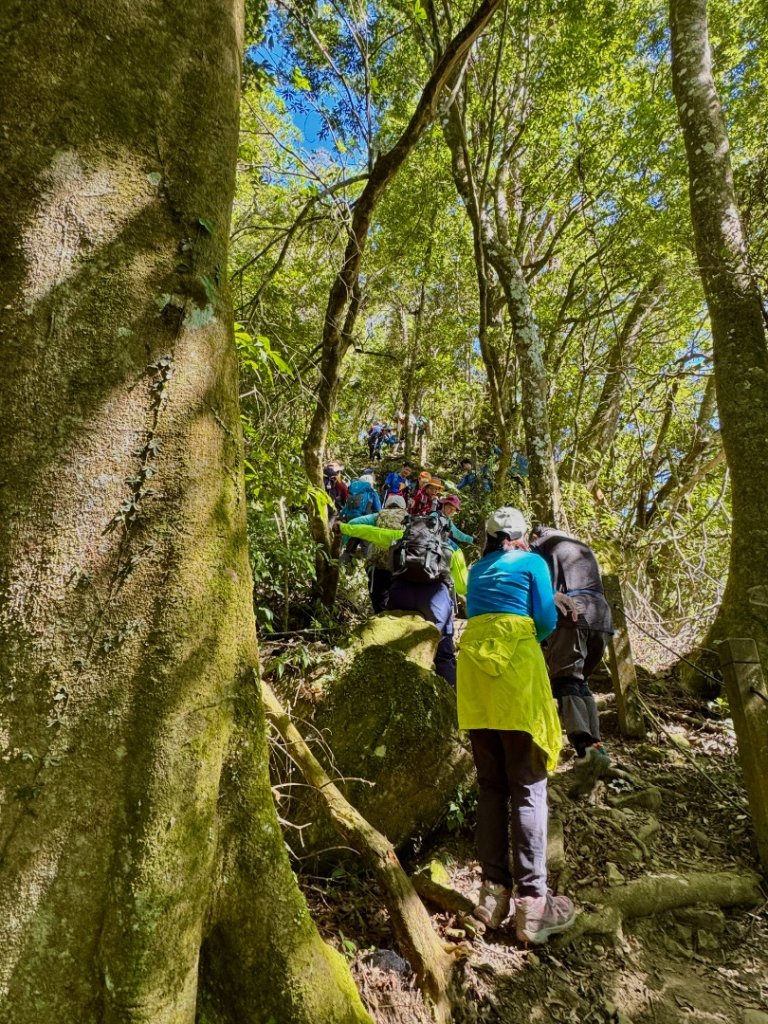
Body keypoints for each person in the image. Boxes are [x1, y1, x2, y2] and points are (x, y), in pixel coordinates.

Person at [458, 507, 575, 943]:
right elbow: (545, 620)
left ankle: (492, 895)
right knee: (527, 784)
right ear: (523, 535)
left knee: (492, 785)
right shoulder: (531, 562)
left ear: (487, 536)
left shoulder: (476, 568)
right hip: (515, 679)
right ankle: (533, 905)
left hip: (475, 681)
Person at [531, 526, 614, 796]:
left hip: (573, 613)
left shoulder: (543, 546)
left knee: (566, 680)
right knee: (580, 681)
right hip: (601, 617)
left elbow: (539, 584)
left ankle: (584, 747)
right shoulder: (581, 546)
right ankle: (596, 746)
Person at [338, 509, 464, 685]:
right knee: (444, 654)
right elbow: (463, 585)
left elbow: (371, 532)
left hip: (399, 594)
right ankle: (450, 696)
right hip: (435, 601)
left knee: (392, 644)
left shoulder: (402, 537)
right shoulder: (451, 548)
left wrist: (343, 527)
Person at [344, 494, 409, 612]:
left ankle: (379, 618)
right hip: (399, 566)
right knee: (396, 602)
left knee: (379, 601)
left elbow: (354, 522)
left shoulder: (378, 516)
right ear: (403, 507)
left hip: (377, 565)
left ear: (386, 505)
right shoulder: (409, 518)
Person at [339, 473, 381, 564]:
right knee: (367, 546)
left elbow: (346, 507)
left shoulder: (353, 492)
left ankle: (342, 567)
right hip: (365, 523)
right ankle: (367, 569)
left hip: (352, 520)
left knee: (350, 547)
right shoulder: (372, 492)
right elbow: (378, 510)